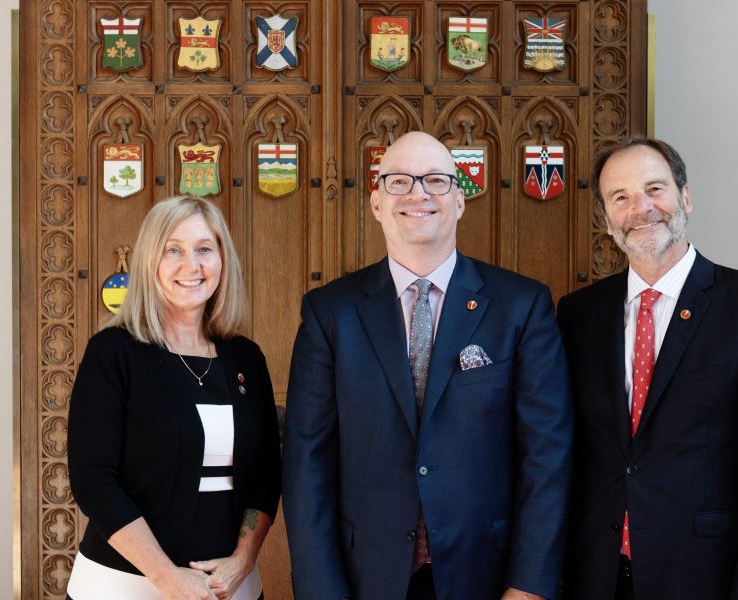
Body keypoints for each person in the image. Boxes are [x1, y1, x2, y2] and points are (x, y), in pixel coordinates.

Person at [282, 131, 573, 600]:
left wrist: (529, 585)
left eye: (436, 180)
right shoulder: (329, 312)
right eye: (398, 181)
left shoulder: (521, 306)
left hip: (488, 575)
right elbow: (307, 464)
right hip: (365, 578)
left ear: (460, 200)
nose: (419, 193)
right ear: (376, 202)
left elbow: (547, 456)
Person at [557, 137, 738, 600]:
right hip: (595, 576)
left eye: (655, 189)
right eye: (621, 197)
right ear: (606, 217)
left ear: (685, 197)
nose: (641, 208)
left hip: (705, 577)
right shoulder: (578, 314)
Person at [67, 196, 281, 600]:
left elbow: (266, 476)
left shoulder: (246, 359)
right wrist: (168, 578)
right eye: (174, 250)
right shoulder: (113, 353)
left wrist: (243, 559)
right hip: (124, 587)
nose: (192, 265)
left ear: (222, 259)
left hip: (230, 587)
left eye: (204, 249)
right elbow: (94, 482)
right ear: (151, 261)